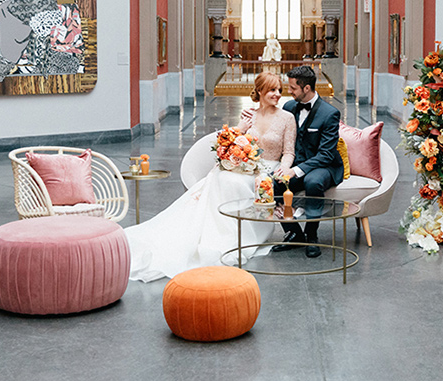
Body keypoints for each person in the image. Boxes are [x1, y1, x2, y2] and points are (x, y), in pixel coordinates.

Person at [123, 72, 295, 282]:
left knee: (233, 181)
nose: (277, 94)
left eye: (279, 90)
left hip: (268, 168)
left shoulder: (287, 118)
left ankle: (239, 235)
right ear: (260, 91)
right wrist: (241, 128)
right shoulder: (249, 114)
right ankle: (214, 232)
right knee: (223, 177)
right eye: (272, 90)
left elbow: (289, 152)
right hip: (244, 164)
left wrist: (284, 168)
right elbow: (232, 143)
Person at [268, 65, 344, 258]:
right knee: (273, 182)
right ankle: (294, 233)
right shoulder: (289, 107)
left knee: (313, 182)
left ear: (307, 88)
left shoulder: (330, 113)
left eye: (293, 88)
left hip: (323, 165)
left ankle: (312, 236)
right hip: (296, 163)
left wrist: (297, 170)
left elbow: (326, 154)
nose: (289, 91)